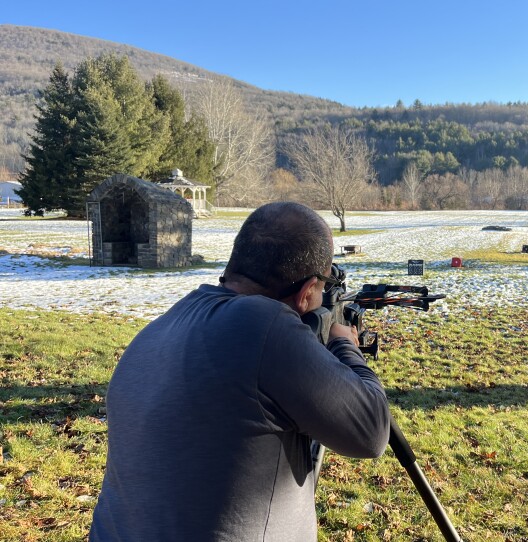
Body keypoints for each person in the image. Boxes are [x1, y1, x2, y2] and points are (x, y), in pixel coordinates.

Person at [89, 202, 390, 541]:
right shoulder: (264, 324)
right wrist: (344, 344)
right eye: (321, 290)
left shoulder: (163, 325)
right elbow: (371, 432)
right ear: (307, 294)